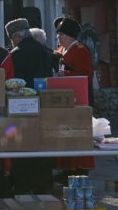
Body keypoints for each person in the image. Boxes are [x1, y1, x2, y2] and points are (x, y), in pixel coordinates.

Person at [7, 18, 56, 195]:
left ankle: (24, 185)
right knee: (42, 146)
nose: (12, 42)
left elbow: (14, 82)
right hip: (44, 104)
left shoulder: (17, 53)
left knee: (24, 146)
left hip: (24, 107)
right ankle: (44, 183)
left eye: (12, 38)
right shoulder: (43, 50)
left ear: (17, 36)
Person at [55, 16, 96, 174]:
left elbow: (86, 76)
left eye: (61, 34)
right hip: (66, 100)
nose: (58, 37)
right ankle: (66, 169)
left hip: (79, 100)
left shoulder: (80, 50)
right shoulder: (61, 50)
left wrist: (62, 75)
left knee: (77, 136)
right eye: (58, 34)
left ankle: (79, 170)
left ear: (71, 36)